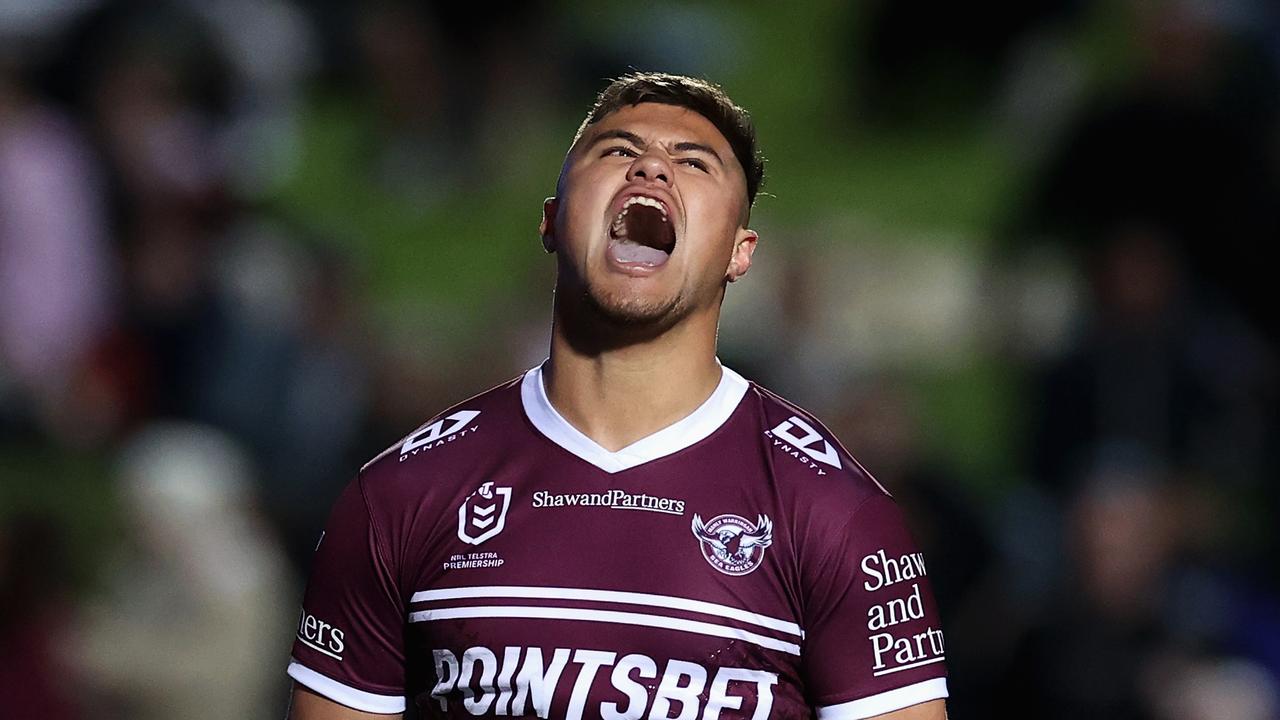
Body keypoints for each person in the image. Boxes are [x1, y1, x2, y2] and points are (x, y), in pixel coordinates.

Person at [286, 72, 949, 720]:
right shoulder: (400, 494)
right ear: (551, 220)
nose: (651, 170)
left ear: (739, 254)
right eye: (619, 152)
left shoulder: (835, 513)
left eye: (694, 163)